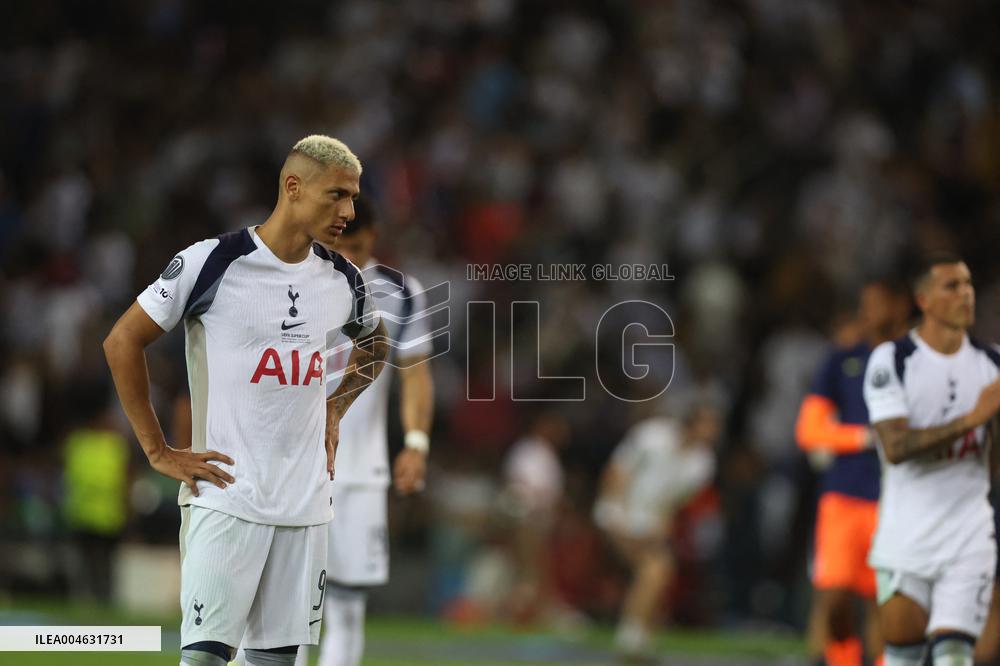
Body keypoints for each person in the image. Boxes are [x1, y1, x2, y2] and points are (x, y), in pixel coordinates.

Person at [103, 135, 387, 666]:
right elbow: (122, 341)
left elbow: (376, 345)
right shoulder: (212, 262)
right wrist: (158, 451)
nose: (349, 210)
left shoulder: (343, 278)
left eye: (353, 197)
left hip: (304, 506)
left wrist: (334, 406)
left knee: (273, 663)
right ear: (293, 187)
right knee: (206, 659)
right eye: (337, 195)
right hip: (227, 495)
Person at [295, 194, 436, 666]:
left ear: (372, 237)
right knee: (288, 605)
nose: (345, 257)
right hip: (294, 466)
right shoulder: (295, 278)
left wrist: (416, 443)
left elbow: (416, 373)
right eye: (337, 244)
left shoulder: (400, 289)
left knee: (347, 606)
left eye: (353, 247)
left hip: (359, 472)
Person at [863, 254, 1000, 666]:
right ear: (923, 299)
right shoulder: (893, 360)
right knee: (902, 655)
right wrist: (973, 419)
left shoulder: (991, 363)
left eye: (969, 284)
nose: (965, 294)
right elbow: (897, 447)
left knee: (954, 655)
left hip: (969, 535)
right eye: (952, 286)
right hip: (907, 537)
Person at [795, 279, 911, 666]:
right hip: (843, 497)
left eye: (877, 304)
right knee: (835, 598)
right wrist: (864, 437)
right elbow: (809, 430)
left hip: (897, 499)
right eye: (864, 305)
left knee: (886, 603)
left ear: (900, 305)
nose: (868, 313)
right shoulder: (843, 360)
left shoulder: (917, 363)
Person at [593, 404, 720, 662]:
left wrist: (657, 530)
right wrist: (618, 519)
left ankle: (637, 639)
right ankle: (631, 639)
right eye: (709, 424)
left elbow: (671, 505)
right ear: (692, 423)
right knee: (656, 570)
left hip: (648, 524)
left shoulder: (703, 464)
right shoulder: (651, 435)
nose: (714, 432)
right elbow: (617, 472)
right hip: (615, 513)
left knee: (659, 572)